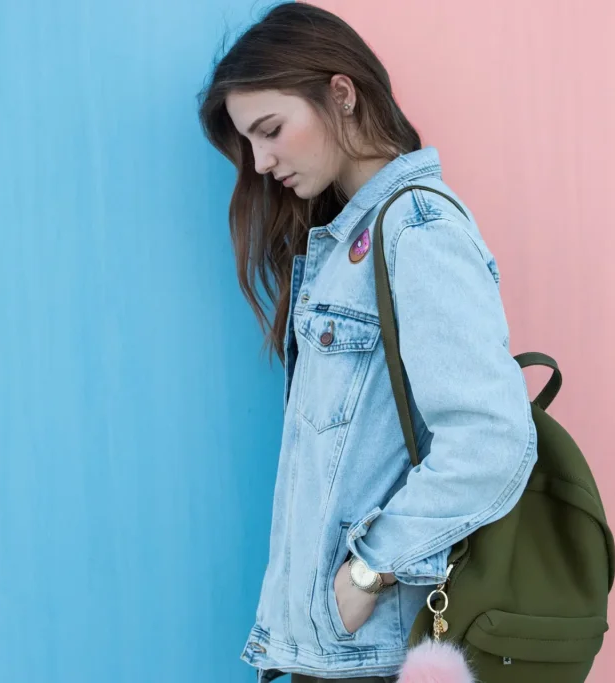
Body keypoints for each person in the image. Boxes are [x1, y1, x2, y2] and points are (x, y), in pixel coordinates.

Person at [198, 4, 536, 682]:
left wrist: (370, 566)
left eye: (270, 130)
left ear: (341, 93)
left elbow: (492, 438)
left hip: (375, 655)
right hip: (330, 652)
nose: (261, 162)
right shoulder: (346, 245)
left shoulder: (415, 230)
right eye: (250, 143)